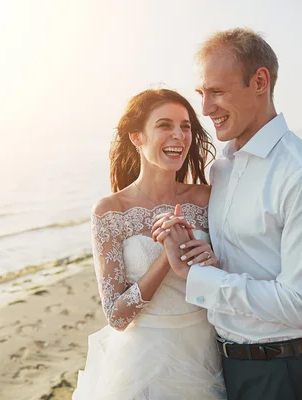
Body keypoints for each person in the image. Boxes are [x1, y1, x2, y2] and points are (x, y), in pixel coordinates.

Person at [153, 28, 302, 400]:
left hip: (281, 374)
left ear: (259, 81)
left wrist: (198, 277)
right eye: (202, 94)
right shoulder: (222, 169)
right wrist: (207, 257)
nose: (206, 108)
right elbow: (245, 259)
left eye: (217, 92)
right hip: (224, 365)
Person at [73, 88, 226, 399]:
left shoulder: (208, 198)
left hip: (205, 352)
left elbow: (233, 279)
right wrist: (167, 258)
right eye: (164, 125)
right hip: (141, 363)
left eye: (185, 127)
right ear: (136, 137)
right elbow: (116, 315)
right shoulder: (110, 211)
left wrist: (216, 261)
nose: (179, 136)